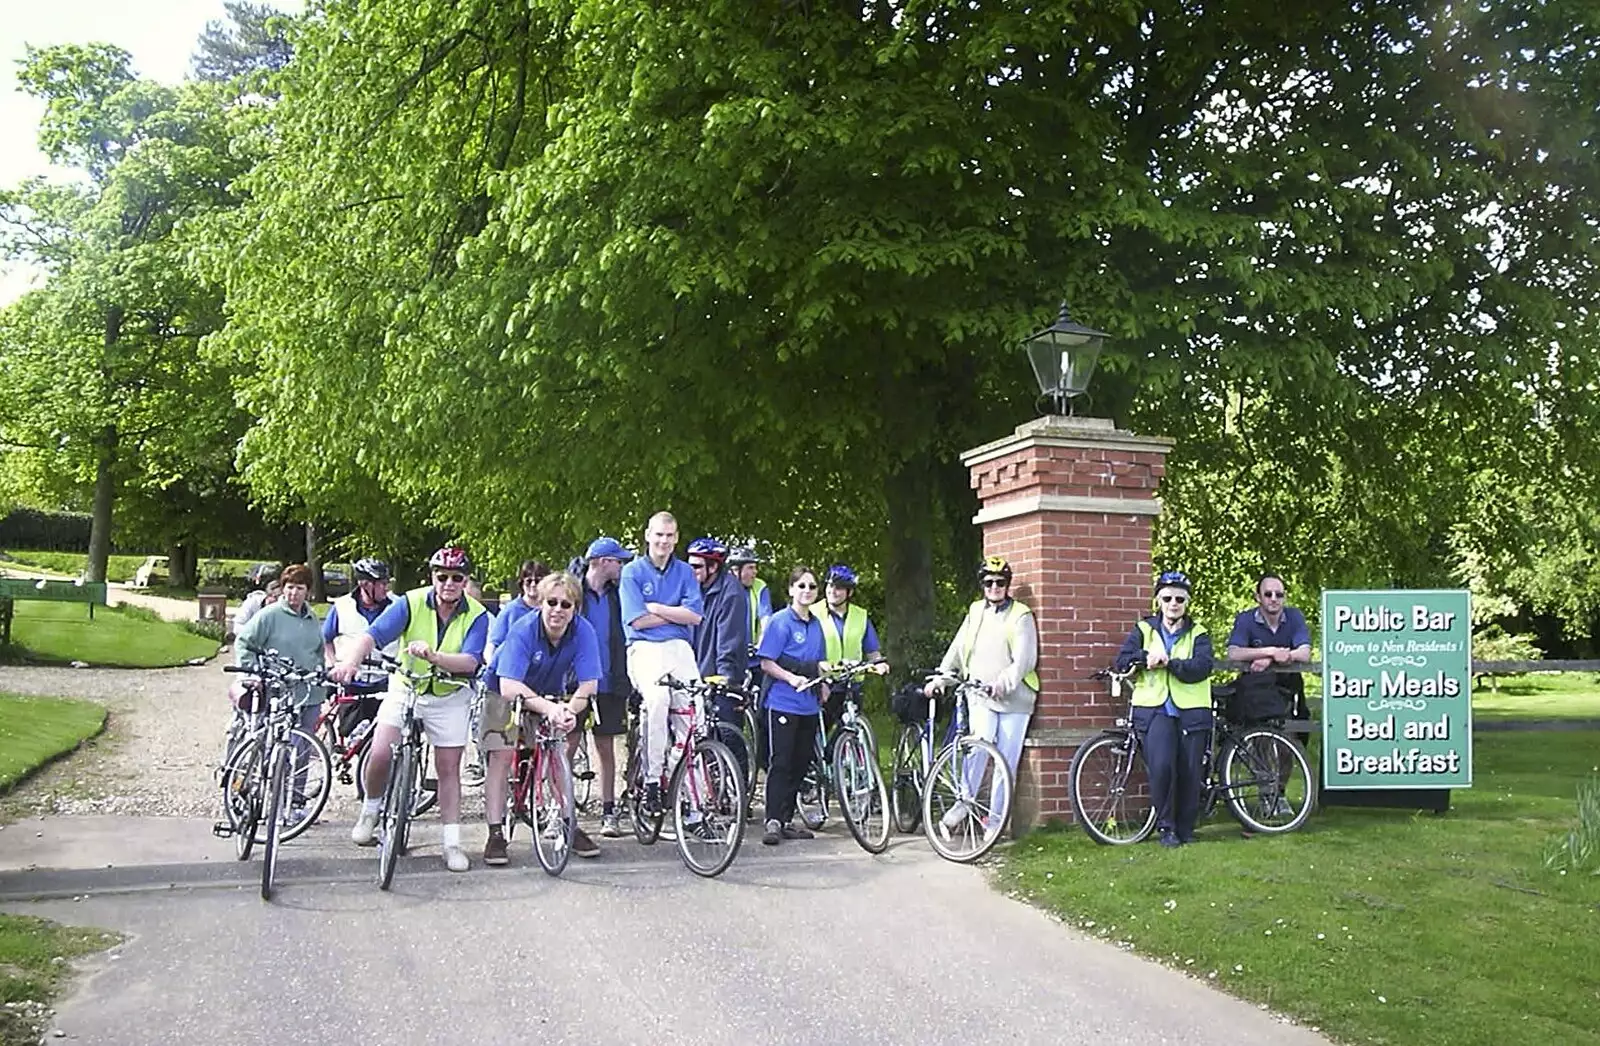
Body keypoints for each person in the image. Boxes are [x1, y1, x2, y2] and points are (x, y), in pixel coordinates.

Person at [331, 546, 490, 873]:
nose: (448, 583)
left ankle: (451, 842)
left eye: (456, 578)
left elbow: (471, 660)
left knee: (448, 768)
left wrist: (434, 657)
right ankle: (370, 811)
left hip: (449, 693)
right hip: (408, 684)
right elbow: (371, 636)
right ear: (432, 577)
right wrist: (350, 662)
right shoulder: (411, 602)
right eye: (441, 576)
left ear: (465, 581)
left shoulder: (477, 614)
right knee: (380, 751)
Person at [479, 571, 602, 865]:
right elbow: (508, 687)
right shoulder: (523, 629)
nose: (558, 610)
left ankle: (567, 822)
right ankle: (495, 833)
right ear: (541, 604)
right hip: (503, 688)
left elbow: (589, 684)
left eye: (566, 604)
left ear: (576, 609)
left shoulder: (584, 631)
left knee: (558, 752)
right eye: (552, 602)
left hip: (548, 690)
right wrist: (550, 709)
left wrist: (570, 711)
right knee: (501, 753)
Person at [926, 556, 1039, 840]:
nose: (994, 587)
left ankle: (996, 824)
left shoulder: (1021, 614)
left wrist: (1003, 683)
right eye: (988, 582)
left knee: (1006, 762)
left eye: (1000, 582)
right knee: (978, 747)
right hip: (979, 695)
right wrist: (942, 676)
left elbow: (1026, 659)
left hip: (1015, 700)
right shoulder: (976, 610)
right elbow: (958, 647)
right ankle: (962, 807)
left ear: (1007, 584)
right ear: (982, 585)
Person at [1113, 570, 1215, 848]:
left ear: (1187, 602)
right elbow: (1122, 661)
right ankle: (1166, 828)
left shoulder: (1199, 632)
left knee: (1191, 771)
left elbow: (1203, 667)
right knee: (1162, 768)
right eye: (1168, 598)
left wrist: (1170, 663)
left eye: (1179, 599)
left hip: (1192, 711)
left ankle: (1186, 828)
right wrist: (1146, 658)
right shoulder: (1144, 629)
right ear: (1158, 600)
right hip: (1154, 709)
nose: (1173, 604)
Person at [620, 511, 704, 814]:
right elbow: (637, 621)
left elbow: (695, 616)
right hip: (644, 649)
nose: (664, 541)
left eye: (669, 535)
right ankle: (653, 780)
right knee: (657, 700)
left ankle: (694, 803)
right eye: (658, 534)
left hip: (680, 648)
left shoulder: (684, 572)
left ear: (677, 538)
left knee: (696, 715)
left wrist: (657, 608)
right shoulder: (632, 572)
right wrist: (674, 613)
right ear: (647, 535)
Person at [235, 563, 325, 825]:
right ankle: (264, 797)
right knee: (272, 745)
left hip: (309, 693)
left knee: (302, 750)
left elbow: (317, 651)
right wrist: (253, 672)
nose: (293, 593)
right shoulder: (270, 615)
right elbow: (245, 643)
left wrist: (322, 674)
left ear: (308, 591)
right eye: (289, 587)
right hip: (277, 691)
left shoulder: (312, 619)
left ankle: (295, 802)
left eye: (299, 588)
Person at [1226, 572, 1313, 815]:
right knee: (1261, 740)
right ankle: (1266, 793)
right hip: (1257, 689)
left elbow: (1304, 652)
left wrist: (1279, 657)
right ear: (1258, 597)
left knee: (1292, 742)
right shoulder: (1245, 620)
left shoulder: (1294, 617)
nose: (1274, 599)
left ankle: (1280, 792)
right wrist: (1271, 652)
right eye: (1268, 594)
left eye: (1279, 594)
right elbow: (1234, 653)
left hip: (1289, 687)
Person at [755, 566, 826, 846]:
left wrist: (823, 684)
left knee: (800, 763)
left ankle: (786, 819)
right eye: (802, 586)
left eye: (811, 587)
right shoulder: (780, 622)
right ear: (791, 590)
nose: (807, 591)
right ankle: (772, 819)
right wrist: (791, 677)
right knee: (781, 762)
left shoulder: (817, 624)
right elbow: (766, 662)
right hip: (782, 702)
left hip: (808, 705)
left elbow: (818, 660)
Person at [576, 537, 634, 837]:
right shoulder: (573, 591)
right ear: (600, 561)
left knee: (606, 747)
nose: (621, 566)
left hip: (610, 679)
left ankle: (609, 811)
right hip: (574, 681)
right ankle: (558, 813)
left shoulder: (618, 594)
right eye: (616, 561)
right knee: (566, 745)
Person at [687, 537, 751, 781]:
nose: (690, 570)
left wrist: (723, 679)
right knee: (700, 737)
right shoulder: (694, 589)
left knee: (728, 735)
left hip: (722, 674)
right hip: (695, 672)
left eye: (696, 566)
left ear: (713, 567)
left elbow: (729, 641)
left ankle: (738, 793)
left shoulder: (731, 593)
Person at [321, 557, 397, 738]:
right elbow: (325, 639)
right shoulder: (342, 606)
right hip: (352, 682)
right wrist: (333, 664)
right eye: (382, 583)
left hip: (385, 682)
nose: (386, 588)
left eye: (387, 583)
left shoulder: (398, 605)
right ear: (365, 584)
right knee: (350, 736)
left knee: (383, 739)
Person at [484, 560, 550, 665]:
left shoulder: (552, 610)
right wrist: (492, 668)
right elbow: (493, 644)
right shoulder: (510, 610)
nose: (533, 585)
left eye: (538, 581)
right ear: (522, 583)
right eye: (528, 581)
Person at [728, 547, 771, 647]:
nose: (755, 571)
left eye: (755, 567)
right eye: (750, 568)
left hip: (752, 652)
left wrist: (761, 644)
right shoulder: (722, 587)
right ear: (736, 570)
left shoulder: (760, 586)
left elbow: (766, 619)